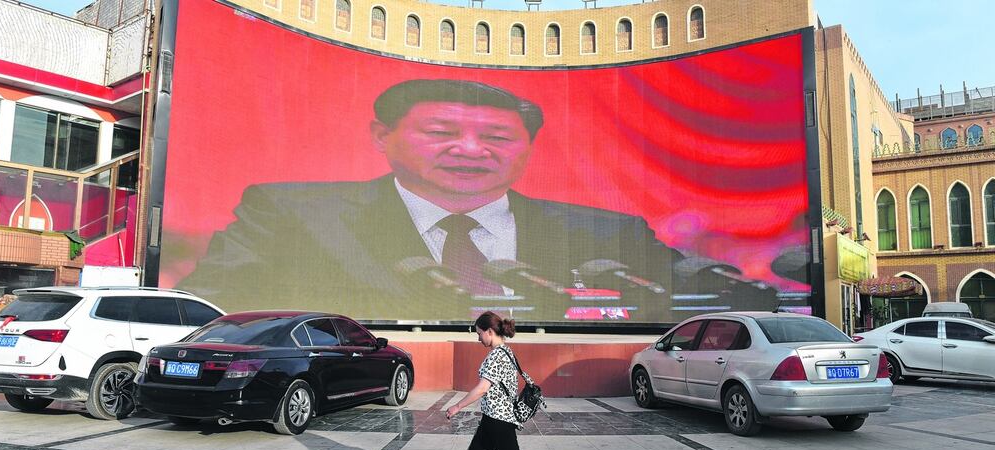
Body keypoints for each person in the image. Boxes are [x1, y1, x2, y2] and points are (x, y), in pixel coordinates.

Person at [177, 79, 774, 321]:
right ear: (382, 137)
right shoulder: (290, 213)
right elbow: (219, 304)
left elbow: (687, 287)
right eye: (441, 132)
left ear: (526, 149)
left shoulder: (605, 231)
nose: (470, 150)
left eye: (496, 137)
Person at [429, 311, 557, 450]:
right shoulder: (506, 351)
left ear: (489, 331)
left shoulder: (497, 356)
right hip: (491, 419)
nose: (478, 338)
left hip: (499, 421)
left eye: (480, 334)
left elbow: (482, 388)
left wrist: (457, 406)